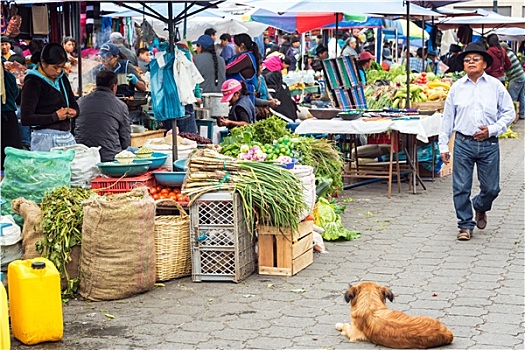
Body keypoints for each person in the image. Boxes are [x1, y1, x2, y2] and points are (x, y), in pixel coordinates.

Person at [438, 41, 515, 241]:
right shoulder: (456, 88)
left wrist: (492, 129)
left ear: (484, 64)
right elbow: (447, 119)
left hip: (489, 144)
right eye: (467, 60)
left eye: (475, 59)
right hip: (463, 143)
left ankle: (480, 206)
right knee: (460, 186)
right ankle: (465, 225)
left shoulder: (495, 86)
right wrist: (443, 145)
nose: (471, 62)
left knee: (492, 188)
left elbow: (509, 112)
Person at [20, 43, 79, 151]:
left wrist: (74, 111)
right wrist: (54, 117)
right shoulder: (32, 82)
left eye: (61, 67)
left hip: (66, 137)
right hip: (44, 140)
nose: (58, 71)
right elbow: (26, 118)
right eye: (55, 67)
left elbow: (73, 102)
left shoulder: (62, 79)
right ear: (43, 63)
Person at [74, 71, 131, 162]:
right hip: (110, 158)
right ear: (114, 86)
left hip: (83, 156)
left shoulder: (80, 102)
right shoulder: (121, 106)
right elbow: (125, 141)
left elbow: (73, 129)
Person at [225, 33, 261, 105]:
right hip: (240, 94)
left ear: (241, 45)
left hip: (242, 96)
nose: (234, 47)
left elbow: (229, 69)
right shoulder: (246, 56)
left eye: (235, 45)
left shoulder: (246, 57)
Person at [261, 55, 297, 120]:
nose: (285, 68)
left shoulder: (276, 59)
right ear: (284, 63)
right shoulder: (276, 68)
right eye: (286, 66)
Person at [1, 59, 22, 169]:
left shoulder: (8, 77)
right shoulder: (9, 76)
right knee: (10, 155)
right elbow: (15, 93)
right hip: (9, 116)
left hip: (7, 116)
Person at [500, 43, 524, 120]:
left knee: (512, 97)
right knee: (521, 97)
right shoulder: (511, 53)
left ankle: (512, 117)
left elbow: (504, 66)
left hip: (515, 77)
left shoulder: (507, 55)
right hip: (521, 76)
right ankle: (522, 114)